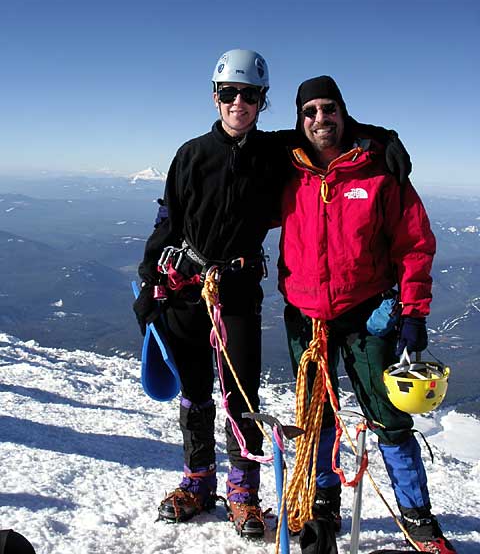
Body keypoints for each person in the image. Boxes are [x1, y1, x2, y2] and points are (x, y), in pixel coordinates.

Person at [133, 50, 411, 539]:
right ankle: (198, 482)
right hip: (187, 292)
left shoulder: (273, 151)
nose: (238, 103)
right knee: (196, 390)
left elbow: (327, 130)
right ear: (215, 96)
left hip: (238, 291)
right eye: (229, 93)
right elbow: (169, 219)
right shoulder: (192, 154)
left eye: (250, 95)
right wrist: (149, 280)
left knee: (243, 394)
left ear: (263, 101)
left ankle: (243, 493)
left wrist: (382, 138)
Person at [278, 75, 456, 554]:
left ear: (343, 112)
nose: (320, 118)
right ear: (299, 118)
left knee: (389, 418)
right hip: (306, 316)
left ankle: (419, 519)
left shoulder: (379, 169)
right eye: (310, 110)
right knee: (317, 418)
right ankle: (322, 507)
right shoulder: (285, 169)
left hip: (366, 313)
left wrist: (414, 311)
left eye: (328, 108)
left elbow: (416, 244)